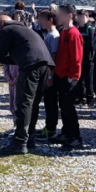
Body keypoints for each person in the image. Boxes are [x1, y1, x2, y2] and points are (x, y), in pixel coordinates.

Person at [0, 15, 55, 156]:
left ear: (2, 23)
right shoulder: (24, 29)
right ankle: (30, 139)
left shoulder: (7, 29)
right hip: (45, 65)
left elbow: (0, 53)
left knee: (23, 103)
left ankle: (19, 143)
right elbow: (12, 56)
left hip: (31, 66)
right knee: (32, 104)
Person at [51, 4, 84, 149]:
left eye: (61, 14)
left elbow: (76, 58)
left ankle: (75, 136)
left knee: (69, 108)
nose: (58, 16)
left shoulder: (73, 33)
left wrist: (72, 77)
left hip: (68, 77)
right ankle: (66, 132)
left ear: (69, 16)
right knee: (63, 106)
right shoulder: (63, 32)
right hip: (60, 74)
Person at [34, 9, 62, 143]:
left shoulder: (54, 35)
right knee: (47, 103)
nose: (40, 22)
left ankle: (51, 130)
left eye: (42, 19)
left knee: (51, 103)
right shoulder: (49, 34)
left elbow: (54, 56)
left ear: (50, 20)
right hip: (46, 73)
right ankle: (48, 127)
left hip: (50, 74)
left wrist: (50, 76)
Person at [75, 11, 96, 108]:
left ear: (87, 17)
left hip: (89, 59)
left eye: (82, 17)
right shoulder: (80, 28)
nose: (80, 19)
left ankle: (90, 100)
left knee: (89, 81)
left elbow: (92, 44)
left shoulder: (90, 28)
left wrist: (81, 44)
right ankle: (82, 98)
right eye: (79, 17)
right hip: (81, 58)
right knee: (81, 80)